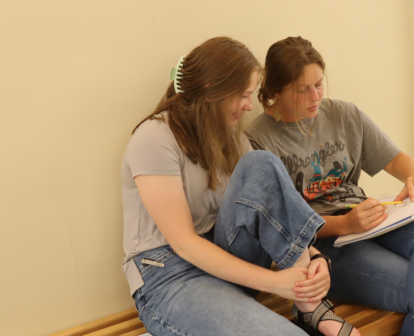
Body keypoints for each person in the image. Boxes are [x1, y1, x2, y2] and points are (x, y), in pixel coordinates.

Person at [121, 37, 359, 336]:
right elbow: (183, 242)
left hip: (225, 260)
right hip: (169, 274)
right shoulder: (154, 137)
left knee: (261, 163)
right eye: (243, 95)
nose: (249, 105)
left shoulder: (232, 139)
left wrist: (315, 259)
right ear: (212, 91)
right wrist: (274, 283)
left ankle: (308, 303)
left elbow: (274, 206)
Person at [245, 36, 414, 336]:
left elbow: (396, 159)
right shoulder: (259, 142)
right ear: (276, 91)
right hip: (325, 247)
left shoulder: (344, 115)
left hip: (369, 220)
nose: (314, 96)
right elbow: (282, 226)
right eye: (302, 89)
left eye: (319, 84)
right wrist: (345, 224)